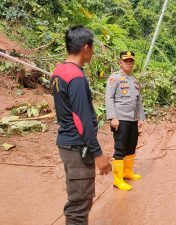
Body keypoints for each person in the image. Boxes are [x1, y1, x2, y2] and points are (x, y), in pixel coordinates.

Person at [50, 25, 112, 224]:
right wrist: (98, 154)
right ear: (86, 47)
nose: (92, 52)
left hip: (67, 144)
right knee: (79, 204)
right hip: (77, 147)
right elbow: (81, 119)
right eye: (92, 48)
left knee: (77, 199)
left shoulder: (58, 71)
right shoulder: (76, 77)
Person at [105, 51, 146, 191]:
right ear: (120, 62)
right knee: (120, 149)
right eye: (126, 60)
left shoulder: (134, 80)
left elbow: (138, 101)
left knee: (131, 147)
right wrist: (112, 117)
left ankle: (127, 172)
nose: (128, 63)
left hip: (133, 119)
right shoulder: (114, 78)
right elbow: (109, 98)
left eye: (131, 61)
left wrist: (141, 118)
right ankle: (118, 179)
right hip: (120, 119)